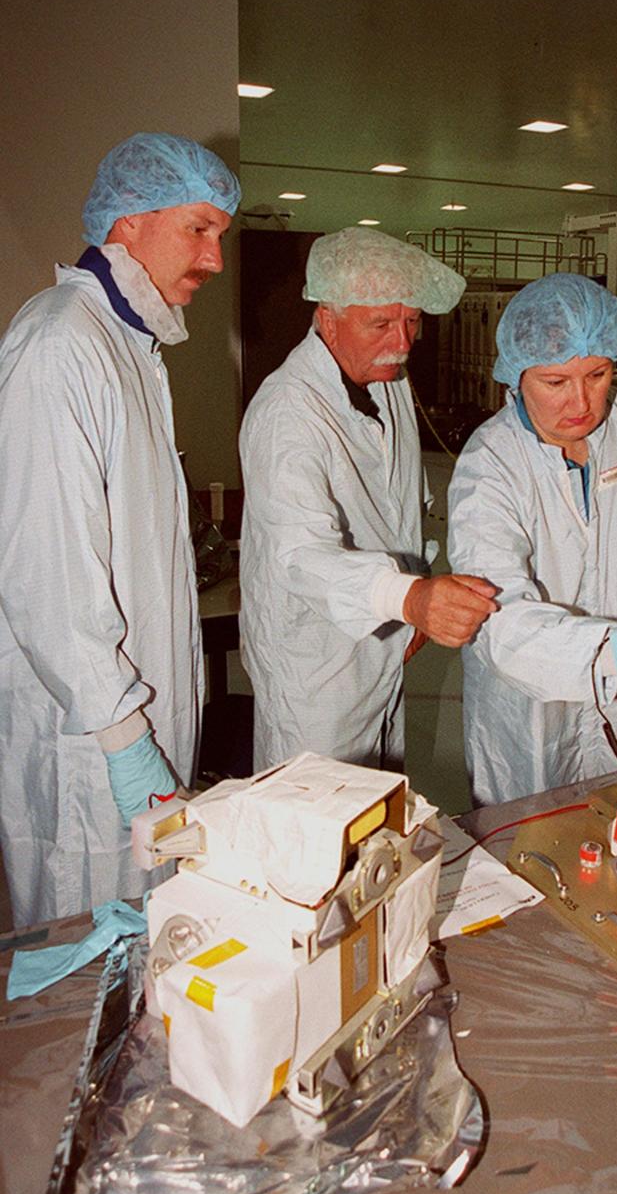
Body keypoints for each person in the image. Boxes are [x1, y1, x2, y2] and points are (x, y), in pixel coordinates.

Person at [0, 133, 240, 927]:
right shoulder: (60, 343)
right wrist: (123, 738)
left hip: (136, 729)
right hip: (91, 748)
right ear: (129, 223)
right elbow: (48, 573)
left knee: (147, 964)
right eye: (198, 230)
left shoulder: (129, 345)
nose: (213, 259)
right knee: (83, 984)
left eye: (220, 237)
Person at [447, 273, 617, 806]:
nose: (580, 401)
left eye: (597, 375)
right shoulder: (491, 466)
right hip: (531, 712)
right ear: (516, 375)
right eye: (555, 382)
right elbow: (500, 616)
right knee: (527, 851)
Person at [240, 226, 498, 772]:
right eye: (380, 323)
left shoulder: (389, 384)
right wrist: (408, 599)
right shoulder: (287, 413)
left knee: (381, 829)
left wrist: (412, 609)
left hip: (385, 648)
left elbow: (405, 505)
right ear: (326, 318)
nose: (402, 342)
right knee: (316, 830)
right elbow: (300, 557)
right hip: (318, 676)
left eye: (411, 320)